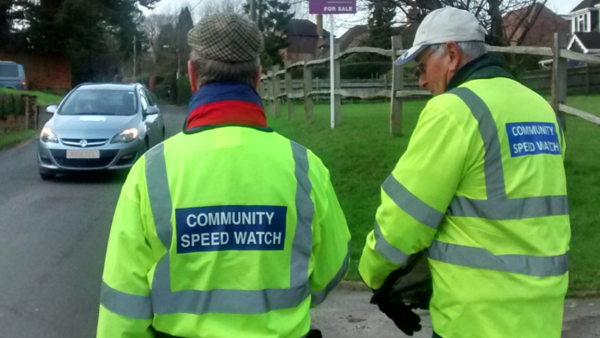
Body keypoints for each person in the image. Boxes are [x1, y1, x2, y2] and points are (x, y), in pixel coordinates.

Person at [97, 13, 351, 338]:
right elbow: (331, 271)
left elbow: (122, 310)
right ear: (258, 76)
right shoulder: (305, 166)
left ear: (192, 75)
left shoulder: (149, 172)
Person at [359, 6, 570, 338]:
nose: (423, 80)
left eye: (422, 66)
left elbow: (404, 220)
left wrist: (374, 274)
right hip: (543, 316)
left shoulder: (453, 111)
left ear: (452, 54)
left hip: (477, 320)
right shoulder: (541, 108)